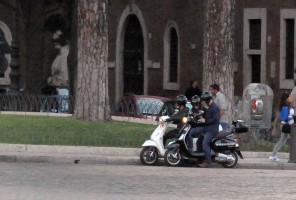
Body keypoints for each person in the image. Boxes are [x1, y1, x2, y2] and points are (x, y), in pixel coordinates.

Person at [188, 92, 220, 168]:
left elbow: (216, 119)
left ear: (207, 100)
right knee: (198, 140)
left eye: (205, 101)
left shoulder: (214, 107)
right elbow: (206, 117)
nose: (204, 103)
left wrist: (205, 121)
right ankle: (199, 159)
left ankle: (208, 162)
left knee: (205, 143)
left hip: (212, 130)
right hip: (207, 128)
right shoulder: (209, 107)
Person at [269, 92, 294, 162]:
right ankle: (293, 156)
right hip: (288, 126)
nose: (291, 98)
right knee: (293, 141)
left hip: (286, 126)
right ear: (286, 99)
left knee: (282, 141)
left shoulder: (288, 106)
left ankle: (273, 155)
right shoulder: (285, 107)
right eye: (289, 97)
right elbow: (284, 118)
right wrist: (292, 117)